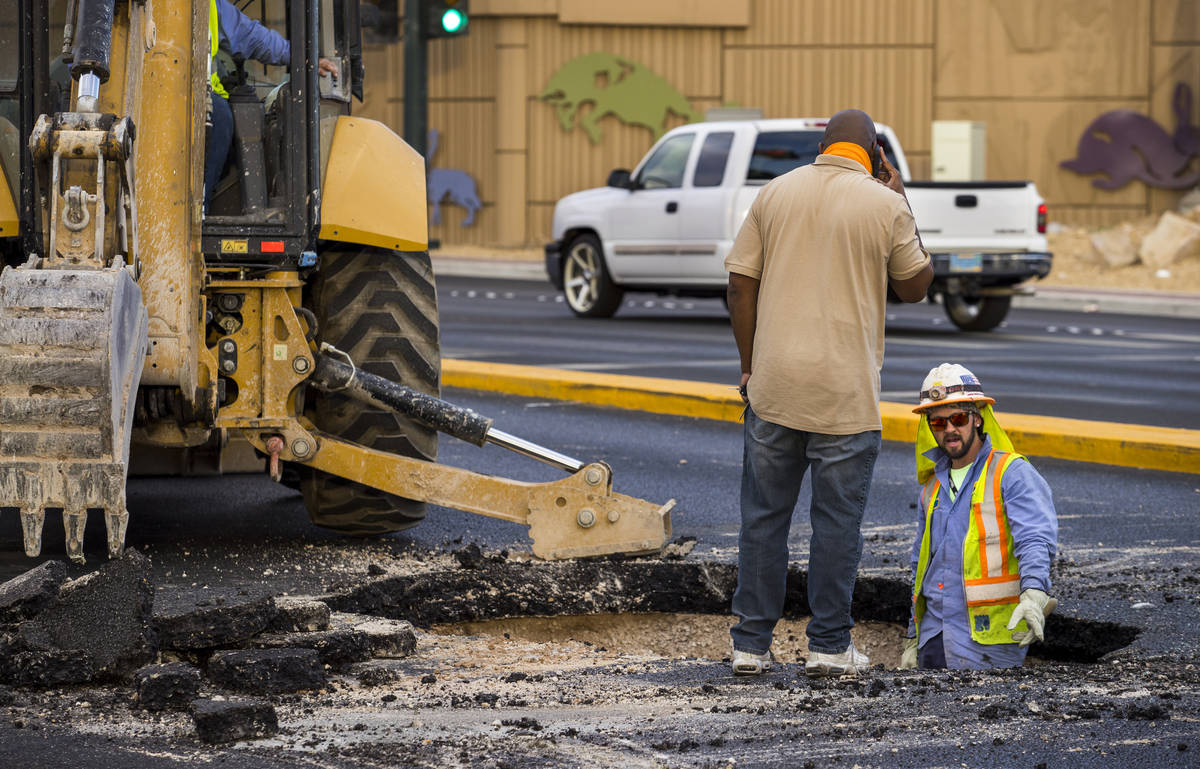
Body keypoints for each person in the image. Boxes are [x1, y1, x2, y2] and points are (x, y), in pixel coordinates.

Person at [724, 109, 934, 677]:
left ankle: (749, 645)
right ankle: (828, 646)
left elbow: (740, 283)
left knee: (763, 519)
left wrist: (749, 366)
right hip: (845, 394)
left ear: (822, 146)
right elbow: (915, 286)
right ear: (874, 153)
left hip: (775, 387)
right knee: (836, 525)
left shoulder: (774, 192)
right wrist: (901, 196)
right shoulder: (884, 203)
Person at [900, 363, 1059, 670]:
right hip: (934, 636)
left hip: (989, 641)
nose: (949, 429)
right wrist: (912, 635)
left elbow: (1035, 537)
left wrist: (1034, 594)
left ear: (977, 418)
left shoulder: (1011, 473)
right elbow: (920, 570)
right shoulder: (931, 487)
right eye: (937, 423)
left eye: (957, 418)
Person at [204, 0, 338, 209]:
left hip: (200, 95)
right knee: (220, 118)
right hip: (186, 100)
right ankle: (197, 211)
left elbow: (250, 36)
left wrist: (302, 57)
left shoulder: (211, 6)